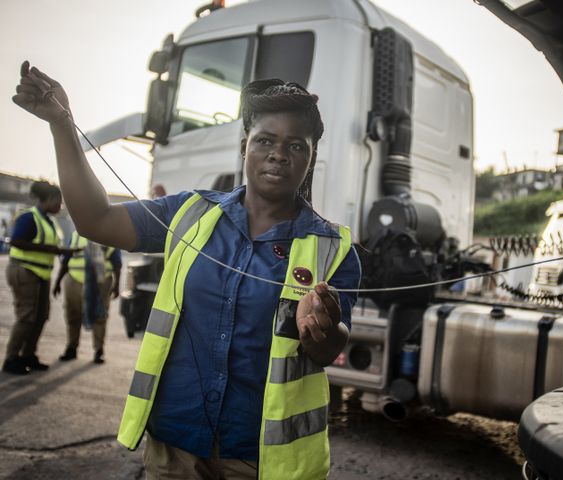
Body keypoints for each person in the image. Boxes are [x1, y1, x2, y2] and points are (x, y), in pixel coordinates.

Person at [13, 62, 361, 480]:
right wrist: (61, 126)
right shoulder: (189, 213)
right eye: (265, 140)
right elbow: (95, 218)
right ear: (244, 145)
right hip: (175, 445)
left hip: (259, 457)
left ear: (311, 156)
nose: (279, 155)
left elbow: (328, 351)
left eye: (297, 146)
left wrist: (324, 331)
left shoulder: (333, 250)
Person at [3, 180, 76, 375]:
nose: (60, 206)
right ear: (49, 199)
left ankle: (28, 355)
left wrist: (61, 250)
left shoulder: (48, 221)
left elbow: (47, 245)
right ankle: (11, 359)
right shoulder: (29, 217)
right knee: (26, 317)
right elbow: (16, 242)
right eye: (58, 202)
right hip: (25, 271)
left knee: (41, 316)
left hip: (41, 274)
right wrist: (51, 249)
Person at [53, 230, 122, 364]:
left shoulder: (110, 234)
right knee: (72, 315)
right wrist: (58, 282)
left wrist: (117, 285)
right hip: (74, 279)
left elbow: (117, 262)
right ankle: (71, 348)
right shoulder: (75, 234)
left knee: (100, 315)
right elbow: (65, 260)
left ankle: (98, 351)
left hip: (100, 282)